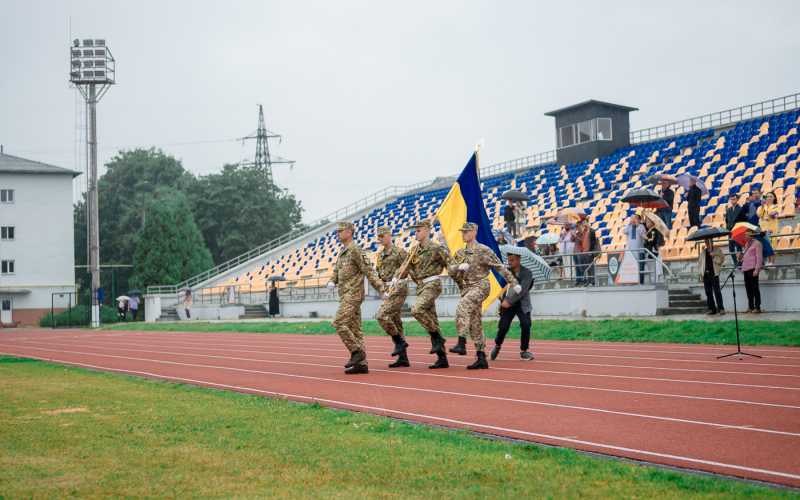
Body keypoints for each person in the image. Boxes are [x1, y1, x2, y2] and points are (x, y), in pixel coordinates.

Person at [446, 222, 520, 369]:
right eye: (462, 232)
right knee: (475, 322)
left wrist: (513, 282)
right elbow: (450, 270)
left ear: (474, 233)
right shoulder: (460, 252)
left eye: (466, 232)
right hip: (467, 288)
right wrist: (458, 267)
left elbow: (500, 267)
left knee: (462, 308)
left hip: (481, 285)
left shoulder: (483, 250)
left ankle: (461, 342)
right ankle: (481, 357)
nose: (463, 234)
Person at [327, 221, 389, 375]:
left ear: (349, 233)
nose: (337, 234)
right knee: (356, 331)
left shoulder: (355, 250)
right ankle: (362, 364)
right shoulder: (343, 251)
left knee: (338, 322)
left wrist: (381, 290)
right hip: (345, 295)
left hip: (353, 295)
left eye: (340, 231)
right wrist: (332, 280)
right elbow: (338, 270)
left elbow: (369, 271)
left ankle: (356, 352)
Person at [392, 218, 454, 369]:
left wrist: (460, 280)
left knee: (417, 310)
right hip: (420, 287)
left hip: (432, 284)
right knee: (432, 319)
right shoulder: (414, 250)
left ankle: (438, 338)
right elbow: (404, 266)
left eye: (419, 230)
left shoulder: (436, 248)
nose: (416, 233)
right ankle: (442, 358)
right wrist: (396, 276)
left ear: (427, 230)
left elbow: (450, 265)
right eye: (415, 231)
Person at [374, 226, 412, 368]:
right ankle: (403, 357)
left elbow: (406, 267)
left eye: (383, 236)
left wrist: (396, 275)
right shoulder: (380, 255)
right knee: (395, 322)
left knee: (381, 316)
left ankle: (400, 342)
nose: (380, 238)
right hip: (387, 289)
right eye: (379, 237)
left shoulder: (399, 252)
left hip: (398, 287)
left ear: (390, 235)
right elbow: (378, 273)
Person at [490, 252, 534, 361]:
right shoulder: (506, 272)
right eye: (508, 260)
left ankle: (524, 351)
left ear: (519, 259)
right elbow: (498, 287)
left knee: (526, 324)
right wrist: (502, 299)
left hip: (522, 304)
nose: (509, 262)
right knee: (503, 327)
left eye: (512, 260)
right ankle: (497, 346)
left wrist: (509, 301)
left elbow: (523, 291)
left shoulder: (527, 273)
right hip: (507, 303)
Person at [737, 229, 763, 314]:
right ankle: (750, 306)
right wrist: (740, 256)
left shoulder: (757, 244)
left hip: (752, 268)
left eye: (749, 235)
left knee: (755, 288)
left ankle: (757, 307)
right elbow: (744, 258)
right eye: (746, 235)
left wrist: (757, 269)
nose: (747, 237)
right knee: (748, 288)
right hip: (746, 268)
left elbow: (759, 257)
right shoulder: (747, 245)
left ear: (753, 235)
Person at [699, 237, 725, 315]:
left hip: (714, 273)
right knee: (708, 293)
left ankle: (721, 308)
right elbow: (701, 264)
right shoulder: (703, 252)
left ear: (712, 242)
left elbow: (721, 260)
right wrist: (701, 274)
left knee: (717, 291)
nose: (708, 244)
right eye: (706, 242)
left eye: (709, 242)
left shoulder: (717, 250)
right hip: (706, 274)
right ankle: (712, 309)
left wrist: (714, 256)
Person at [622, 213, 646, 284]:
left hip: (640, 251)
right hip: (630, 252)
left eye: (635, 218)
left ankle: (641, 283)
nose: (633, 219)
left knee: (641, 269)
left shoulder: (641, 226)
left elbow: (643, 233)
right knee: (631, 269)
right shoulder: (628, 226)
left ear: (639, 219)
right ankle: (632, 283)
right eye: (632, 217)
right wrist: (629, 223)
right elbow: (623, 231)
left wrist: (637, 225)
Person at [724, 193, 747, 267]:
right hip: (730, 231)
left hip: (738, 231)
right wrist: (728, 228)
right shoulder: (728, 210)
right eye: (731, 199)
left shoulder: (741, 209)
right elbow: (727, 220)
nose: (732, 201)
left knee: (739, 248)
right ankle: (735, 262)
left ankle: (739, 262)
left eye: (734, 199)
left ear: (737, 199)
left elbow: (744, 220)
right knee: (731, 248)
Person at [757, 191, 779, 266]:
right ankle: (768, 262)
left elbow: (773, 215)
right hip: (763, 229)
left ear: (774, 198)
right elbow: (759, 215)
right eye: (767, 197)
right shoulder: (763, 206)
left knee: (772, 245)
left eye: (770, 196)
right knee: (766, 245)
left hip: (772, 229)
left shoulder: (776, 206)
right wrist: (763, 206)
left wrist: (768, 206)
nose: (768, 198)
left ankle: (772, 263)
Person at [642, 217, 664, 283]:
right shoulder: (649, 230)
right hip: (648, 250)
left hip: (652, 250)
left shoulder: (654, 230)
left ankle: (656, 281)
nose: (647, 223)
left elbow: (652, 241)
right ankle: (653, 281)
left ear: (653, 223)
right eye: (646, 222)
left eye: (649, 222)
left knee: (655, 267)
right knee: (651, 267)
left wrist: (646, 238)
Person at [580, 218, 600, 287]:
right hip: (584, 252)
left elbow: (593, 241)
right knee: (587, 267)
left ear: (588, 222)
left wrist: (591, 251)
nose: (584, 224)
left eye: (585, 222)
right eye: (583, 223)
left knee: (590, 267)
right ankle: (588, 281)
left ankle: (592, 281)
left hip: (588, 251)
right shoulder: (584, 231)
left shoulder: (591, 230)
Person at [571, 219, 586, 286]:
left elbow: (581, 241)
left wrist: (575, 236)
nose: (578, 226)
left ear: (582, 225)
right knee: (577, 268)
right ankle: (578, 281)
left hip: (580, 252)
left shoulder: (583, 233)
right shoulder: (577, 233)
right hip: (575, 252)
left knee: (581, 267)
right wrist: (574, 233)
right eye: (577, 225)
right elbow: (571, 240)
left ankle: (583, 281)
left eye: (579, 225)